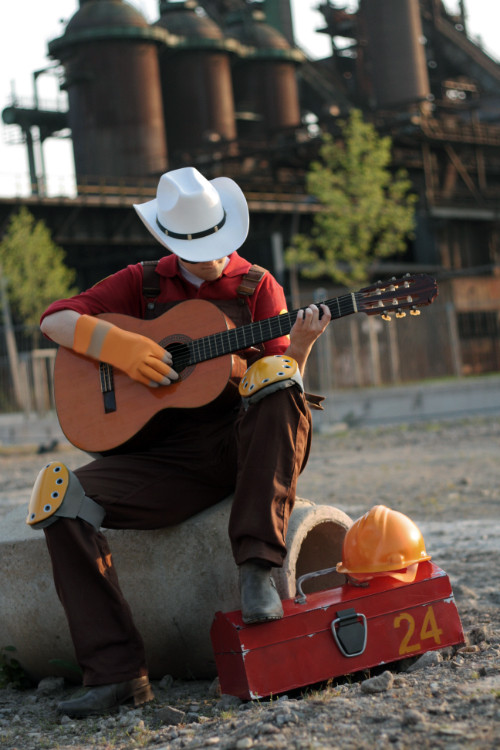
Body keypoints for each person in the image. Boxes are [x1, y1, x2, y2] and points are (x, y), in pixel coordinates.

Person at [29, 166, 331, 718]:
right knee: (61, 502)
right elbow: (54, 321)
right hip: (162, 459)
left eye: (217, 245)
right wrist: (120, 348)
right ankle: (118, 675)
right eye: (195, 249)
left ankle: (258, 569)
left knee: (278, 382)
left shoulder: (258, 286)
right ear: (169, 241)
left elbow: (283, 390)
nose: (210, 259)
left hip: (244, 442)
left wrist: (302, 347)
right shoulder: (142, 282)